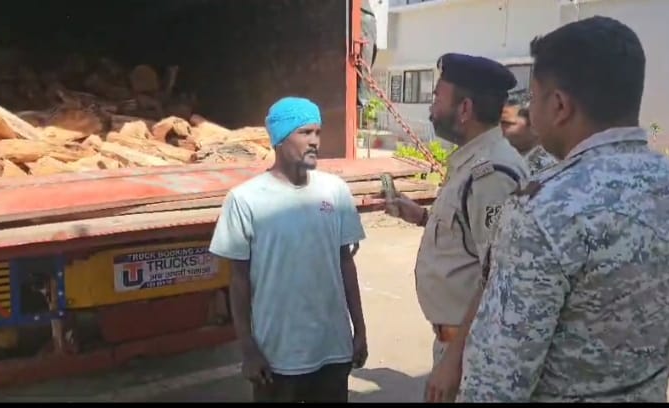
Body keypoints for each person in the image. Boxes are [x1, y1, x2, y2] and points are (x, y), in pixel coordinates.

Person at [456, 16, 669, 402]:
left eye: (533, 98)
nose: (530, 110)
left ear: (560, 105)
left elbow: (496, 382)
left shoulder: (543, 211)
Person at [383, 53, 529, 402]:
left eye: (437, 98)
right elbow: (471, 238)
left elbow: (499, 276)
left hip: (471, 351)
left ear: (464, 109)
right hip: (459, 344)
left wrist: (453, 361)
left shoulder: (491, 174)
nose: (431, 108)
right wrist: (422, 217)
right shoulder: (472, 161)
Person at [209, 97, 368, 403]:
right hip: (277, 357)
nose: (315, 141)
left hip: (332, 350)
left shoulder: (335, 190)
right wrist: (248, 350)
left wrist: (359, 330)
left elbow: (345, 264)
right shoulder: (245, 199)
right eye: (304, 132)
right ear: (280, 139)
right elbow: (239, 281)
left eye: (317, 132)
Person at [500, 98, 557, 175]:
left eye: (507, 124)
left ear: (534, 127)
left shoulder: (545, 165)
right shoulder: (505, 158)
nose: (500, 130)